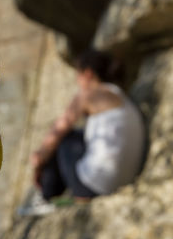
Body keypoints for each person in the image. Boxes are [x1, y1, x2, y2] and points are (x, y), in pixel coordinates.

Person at [30, 49, 146, 202]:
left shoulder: (87, 96)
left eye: (78, 75)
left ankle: (45, 196)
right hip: (124, 181)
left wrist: (38, 162)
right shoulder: (121, 96)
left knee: (64, 139)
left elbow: (57, 132)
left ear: (88, 73)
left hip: (93, 186)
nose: (77, 81)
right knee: (79, 135)